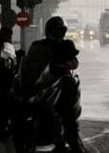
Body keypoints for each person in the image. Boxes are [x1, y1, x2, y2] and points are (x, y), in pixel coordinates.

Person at [23, 16, 86, 153]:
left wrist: (65, 65)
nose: (58, 32)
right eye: (56, 30)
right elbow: (30, 61)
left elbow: (74, 62)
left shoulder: (66, 45)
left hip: (59, 80)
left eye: (60, 30)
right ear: (49, 30)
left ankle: (73, 142)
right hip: (41, 81)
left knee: (67, 110)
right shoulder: (38, 45)